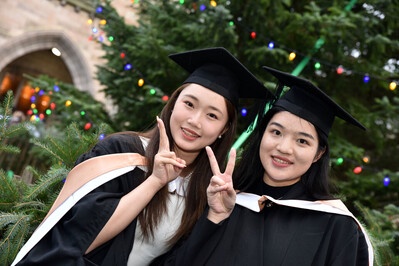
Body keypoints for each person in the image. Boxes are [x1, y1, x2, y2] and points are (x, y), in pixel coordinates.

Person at [11, 47, 273, 266]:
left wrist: (215, 217)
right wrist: (154, 181)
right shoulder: (121, 151)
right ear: (173, 103)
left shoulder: (210, 190)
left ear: (224, 129)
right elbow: (79, 238)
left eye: (212, 115)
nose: (195, 121)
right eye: (189, 104)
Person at [154, 66, 374, 265]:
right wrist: (213, 218)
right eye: (276, 132)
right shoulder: (224, 199)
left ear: (319, 154)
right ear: (262, 136)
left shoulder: (336, 226)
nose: (284, 148)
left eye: (302, 141)